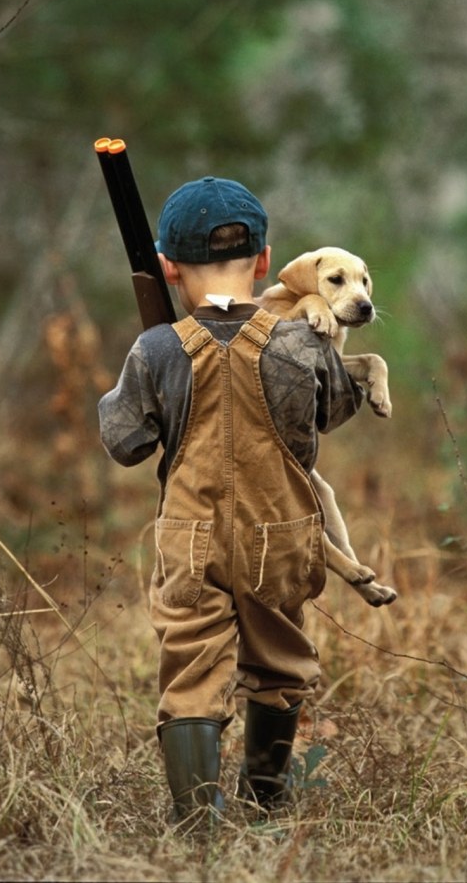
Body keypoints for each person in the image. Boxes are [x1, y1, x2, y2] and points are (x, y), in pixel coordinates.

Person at [98, 176, 363, 830]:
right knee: (280, 661)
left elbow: (125, 442)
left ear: (168, 268)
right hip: (283, 540)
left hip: (191, 541)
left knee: (191, 666)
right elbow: (335, 412)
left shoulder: (157, 347)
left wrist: (154, 357)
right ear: (267, 262)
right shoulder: (304, 343)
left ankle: (196, 828)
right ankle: (266, 805)